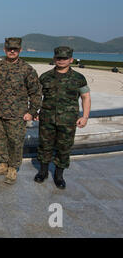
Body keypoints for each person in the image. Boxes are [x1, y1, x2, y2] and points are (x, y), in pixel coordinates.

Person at [34, 46, 91, 189]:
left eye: (64, 58)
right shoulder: (45, 77)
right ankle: (43, 172)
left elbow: (86, 97)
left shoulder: (78, 78)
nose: (61, 60)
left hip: (68, 120)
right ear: (54, 59)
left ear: (71, 60)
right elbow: (36, 96)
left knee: (64, 147)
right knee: (44, 145)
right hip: (47, 119)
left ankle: (59, 175)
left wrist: (85, 117)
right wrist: (35, 111)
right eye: (58, 58)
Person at [0, 37, 42, 184]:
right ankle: (3, 164)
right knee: (0, 141)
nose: (12, 51)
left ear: (20, 50)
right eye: (9, 49)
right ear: (4, 50)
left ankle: (13, 168)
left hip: (18, 114)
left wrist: (32, 111)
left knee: (16, 142)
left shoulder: (27, 69)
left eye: (15, 49)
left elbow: (36, 93)